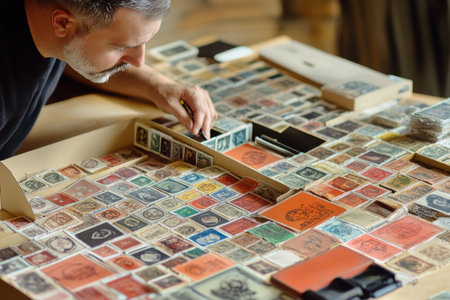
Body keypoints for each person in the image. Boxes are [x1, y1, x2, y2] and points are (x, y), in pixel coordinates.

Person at [0, 0, 217, 160]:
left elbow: (75, 57)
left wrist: (158, 85)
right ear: (63, 23)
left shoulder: (46, 26)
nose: (140, 62)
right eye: (121, 47)